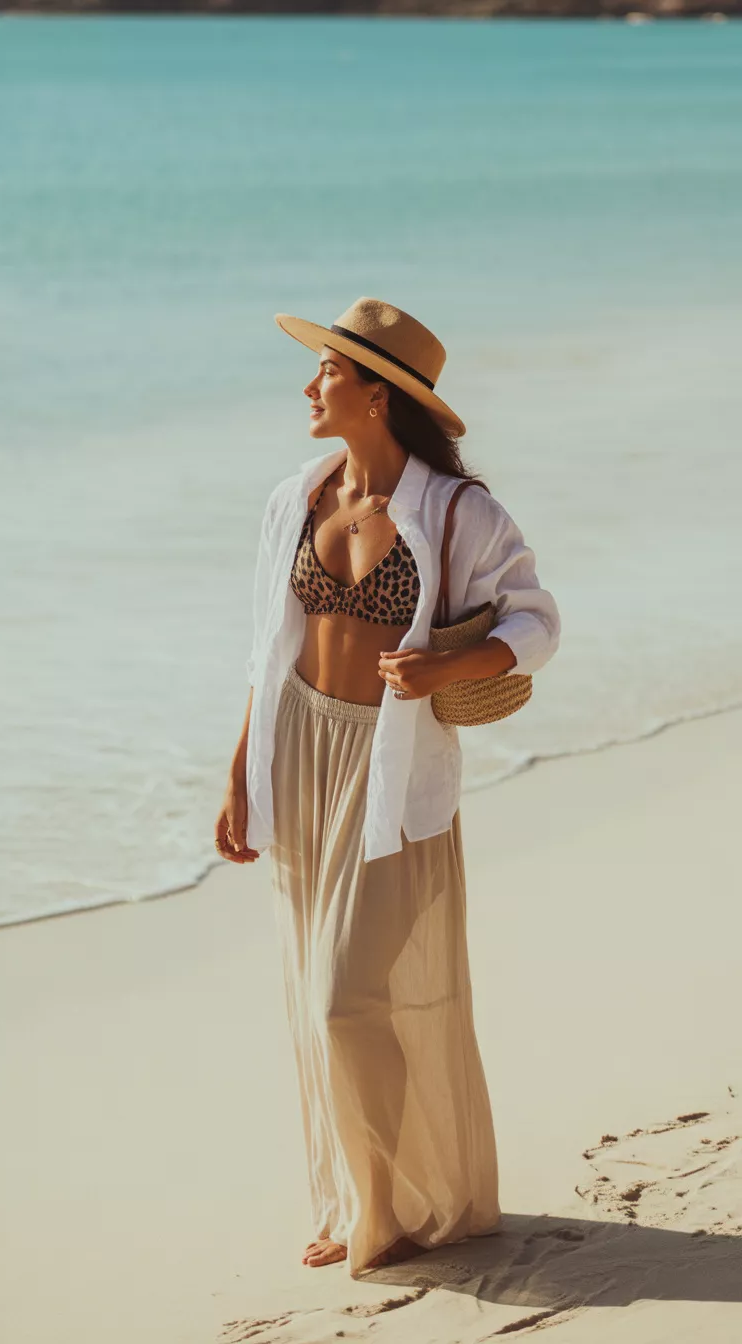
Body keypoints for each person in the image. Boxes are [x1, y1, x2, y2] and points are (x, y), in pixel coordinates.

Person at [214, 297, 561, 1278]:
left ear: (375, 391)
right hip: (302, 756)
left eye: (326, 370)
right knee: (318, 991)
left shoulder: (458, 512)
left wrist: (452, 671)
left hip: (390, 767)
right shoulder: (298, 496)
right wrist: (243, 767)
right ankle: (368, 1198)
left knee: (344, 998)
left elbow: (537, 621)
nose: (309, 385)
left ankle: (389, 1208)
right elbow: (265, 650)